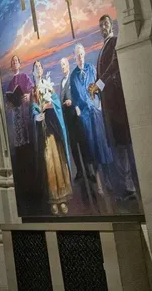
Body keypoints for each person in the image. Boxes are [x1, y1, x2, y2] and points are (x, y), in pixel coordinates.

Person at [93, 15, 136, 201]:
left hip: (117, 104)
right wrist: (95, 88)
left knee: (125, 145)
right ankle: (125, 188)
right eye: (101, 25)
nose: (104, 27)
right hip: (108, 107)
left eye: (106, 24)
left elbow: (115, 65)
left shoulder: (115, 42)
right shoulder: (102, 49)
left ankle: (131, 187)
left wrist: (99, 83)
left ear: (111, 25)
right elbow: (100, 77)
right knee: (118, 146)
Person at [69, 43, 113, 196]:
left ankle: (109, 181)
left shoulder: (92, 69)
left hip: (96, 112)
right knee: (92, 148)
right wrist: (78, 108)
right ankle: (99, 183)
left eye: (82, 54)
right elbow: (75, 97)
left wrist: (99, 103)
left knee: (102, 146)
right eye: (77, 55)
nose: (80, 57)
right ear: (74, 57)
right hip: (86, 117)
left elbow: (99, 86)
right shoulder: (73, 76)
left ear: (84, 54)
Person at [31, 61, 72, 215]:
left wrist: (50, 104)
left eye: (40, 66)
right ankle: (54, 200)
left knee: (58, 161)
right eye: (36, 67)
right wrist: (38, 113)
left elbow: (57, 103)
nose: (38, 69)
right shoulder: (33, 90)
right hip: (44, 131)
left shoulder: (48, 85)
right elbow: (33, 110)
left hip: (53, 128)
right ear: (33, 72)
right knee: (49, 163)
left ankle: (63, 198)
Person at [5, 54, 40, 214]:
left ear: (19, 64)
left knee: (29, 150)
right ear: (11, 66)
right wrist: (10, 104)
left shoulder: (25, 76)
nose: (14, 63)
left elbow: (32, 91)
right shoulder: (10, 83)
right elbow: (9, 102)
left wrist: (28, 96)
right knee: (20, 154)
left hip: (26, 115)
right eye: (12, 62)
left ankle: (34, 186)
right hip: (17, 118)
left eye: (16, 61)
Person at [59, 57, 93, 183]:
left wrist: (71, 102)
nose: (63, 67)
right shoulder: (62, 82)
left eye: (64, 64)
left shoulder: (73, 78)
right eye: (61, 65)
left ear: (68, 65)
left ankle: (89, 171)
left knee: (83, 143)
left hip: (77, 115)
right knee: (73, 145)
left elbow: (79, 94)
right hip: (68, 118)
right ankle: (79, 171)